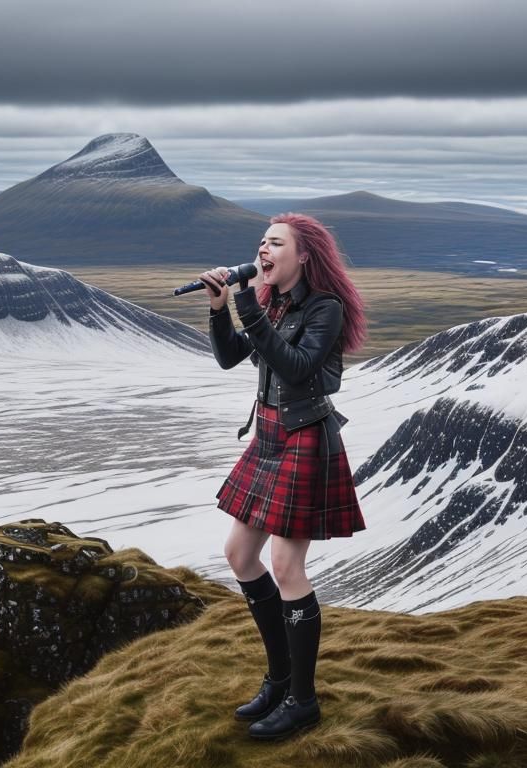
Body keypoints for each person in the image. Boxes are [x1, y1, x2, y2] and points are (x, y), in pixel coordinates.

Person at [199, 212, 367, 741]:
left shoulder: (325, 309)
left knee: (286, 564)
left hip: (304, 438)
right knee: (239, 556)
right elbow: (231, 359)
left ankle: (303, 700)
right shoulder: (273, 302)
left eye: (274, 243)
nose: (262, 251)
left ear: (303, 255)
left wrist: (248, 304)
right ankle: (279, 679)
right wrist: (220, 309)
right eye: (260, 243)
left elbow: (297, 367)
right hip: (268, 438)